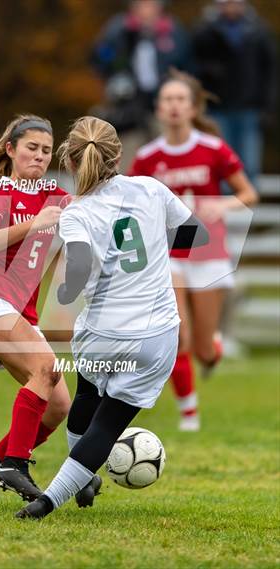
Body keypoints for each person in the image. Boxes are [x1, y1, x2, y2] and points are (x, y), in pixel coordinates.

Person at [15, 116, 209, 520]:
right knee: (109, 423)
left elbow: (81, 264)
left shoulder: (77, 211)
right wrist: (154, 242)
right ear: (119, 155)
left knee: (87, 396)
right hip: (156, 335)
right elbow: (197, 234)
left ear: (70, 161)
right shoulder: (150, 189)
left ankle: (78, 480)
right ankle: (51, 499)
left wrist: (68, 291)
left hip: (102, 332)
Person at [128, 70, 258, 431]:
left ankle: (212, 345)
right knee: (178, 335)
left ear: (193, 107)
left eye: (179, 100)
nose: (173, 106)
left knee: (204, 350)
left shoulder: (213, 149)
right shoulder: (148, 157)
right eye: (166, 100)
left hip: (210, 254)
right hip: (169, 255)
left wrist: (223, 206)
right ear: (158, 108)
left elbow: (248, 194)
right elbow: (132, 204)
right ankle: (189, 413)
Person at [0, 115, 74, 506]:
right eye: (31, 148)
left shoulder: (55, 195)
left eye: (46, 150)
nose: (39, 156)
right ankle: (15, 464)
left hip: (21, 314)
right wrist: (33, 225)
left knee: (58, 407)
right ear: (11, 149)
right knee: (45, 369)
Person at [90, 0, 190, 172]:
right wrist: (116, 73)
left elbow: (186, 63)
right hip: (128, 104)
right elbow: (99, 56)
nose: (146, 9)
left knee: (168, 152)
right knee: (128, 153)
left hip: (162, 101)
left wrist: (174, 84)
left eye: (151, 4)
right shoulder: (118, 28)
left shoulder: (172, 31)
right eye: (142, 4)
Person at [192, 0, 277, 185]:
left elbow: (269, 69)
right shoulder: (204, 30)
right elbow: (194, 64)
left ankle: (249, 208)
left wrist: (268, 105)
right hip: (218, 106)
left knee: (249, 163)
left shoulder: (259, 30)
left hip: (249, 105)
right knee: (221, 161)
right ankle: (225, 209)